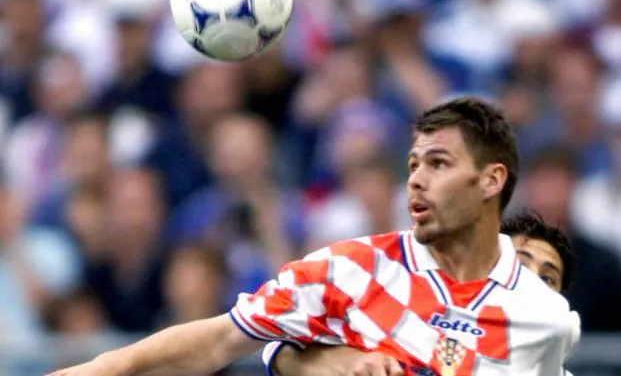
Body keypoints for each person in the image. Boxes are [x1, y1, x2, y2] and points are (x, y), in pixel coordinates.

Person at [47, 98, 579, 376]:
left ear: (491, 180)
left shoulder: (544, 316)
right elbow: (222, 338)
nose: (416, 178)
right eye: (413, 163)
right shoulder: (353, 269)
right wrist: (104, 367)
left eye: (438, 164)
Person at [263, 211, 577, 376]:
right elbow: (278, 352)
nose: (533, 283)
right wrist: (346, 363)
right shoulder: (411, 319)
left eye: (548, 279)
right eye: (520, 266)